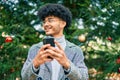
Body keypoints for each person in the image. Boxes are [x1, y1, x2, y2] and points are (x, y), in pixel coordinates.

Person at [21, 3, 89, 80]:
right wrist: (35, 64)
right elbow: (25, 77)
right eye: (44, 22)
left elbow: (84, 77)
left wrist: (67, 64)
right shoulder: (35, 49)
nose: (46, 24)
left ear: (63, 23)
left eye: (50, 20)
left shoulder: (75, 50)